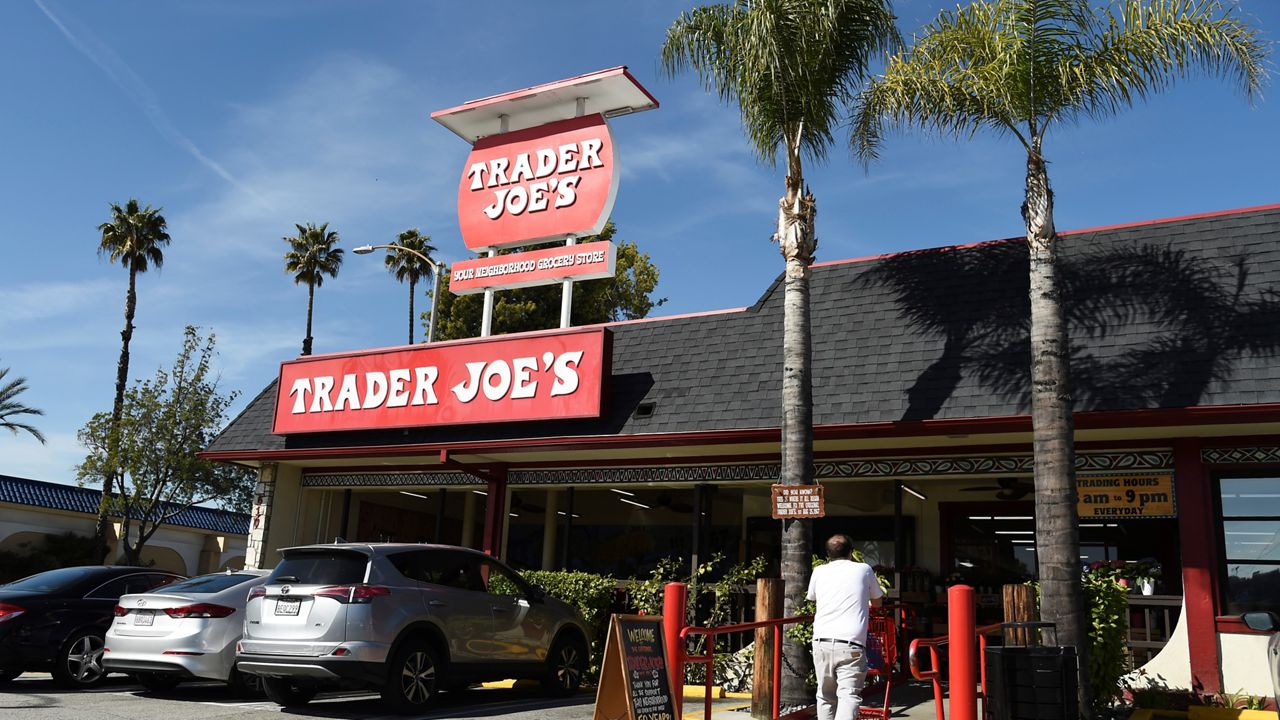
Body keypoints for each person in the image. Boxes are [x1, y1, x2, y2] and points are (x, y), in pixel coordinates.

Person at [807, 533, 884, 720]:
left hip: (821, 640)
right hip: (851, 643)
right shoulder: (864, 569)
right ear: (851, 552)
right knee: (848, 696)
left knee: (825, 695)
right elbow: (878, 601)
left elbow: (812, 597)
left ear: (828, 554)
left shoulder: (819, 571)